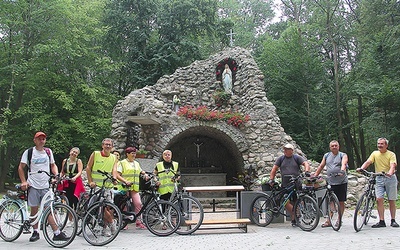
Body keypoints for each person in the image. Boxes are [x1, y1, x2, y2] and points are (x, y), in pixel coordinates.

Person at [17, 131, 69, 242]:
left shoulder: (48, 152)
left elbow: (53, 165)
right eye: (39, 139)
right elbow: (21, 167)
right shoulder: (29, 152)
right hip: (33, 185)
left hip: (46, 185)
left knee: (48, 208)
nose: (41, 141)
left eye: (43, 139)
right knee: (34, 209)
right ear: (35, 140)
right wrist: (23, 181)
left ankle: (56, 233)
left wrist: (56, 175)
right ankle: (35, 232)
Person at [357, 137, 399, 228]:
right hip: (379, 178)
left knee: (391, 200)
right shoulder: (375, 153)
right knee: (379, 199)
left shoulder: (391, 154)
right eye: (378, 144)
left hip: (390, 178)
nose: (379, 145)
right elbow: (368, 162)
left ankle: (393, 220)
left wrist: (390, 173)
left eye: (381, 144)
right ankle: (381, 221)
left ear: (386, 145)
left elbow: (393, 165)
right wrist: (362, 168)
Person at [269, 143, 310, 226]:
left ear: (291, 150)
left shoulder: (296, 158)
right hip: (285, 184)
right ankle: (295, 213)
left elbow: (305, 163)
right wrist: (271, 179)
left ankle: (294, 220)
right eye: (284, 149)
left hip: (296, 183)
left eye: (287, 149)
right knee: (284, 201)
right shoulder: (281, 159)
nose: (285, 151)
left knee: (296, 200)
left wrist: (307, 171)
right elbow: (274, 169)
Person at [86, 138, 119, 236]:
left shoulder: (114, 157)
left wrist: (114, 178)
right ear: (102, 145)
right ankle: (111, 225)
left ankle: (106, 227)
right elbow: (88, 167)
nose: (108, 146)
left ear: (112, 147)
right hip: (97, 185)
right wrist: (90, 181)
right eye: (106, 144)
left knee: (109, 208)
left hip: (108, 185)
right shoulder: (95, 154)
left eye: (109, 145)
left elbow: (114, 169)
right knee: (102, 207)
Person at [313, 140, 348, 227]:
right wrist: (315, 175)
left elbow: (344, 163)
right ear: (330, 147)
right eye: (332, 146)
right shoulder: (327, 155)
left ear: (338, 146)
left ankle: (339, 220)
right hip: (331, 181)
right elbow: (321, 166)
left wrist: (342, 171)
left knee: (341, 202)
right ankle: (329, 220)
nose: (334, 147)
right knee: (330, 201)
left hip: (341, 181)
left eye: (336, 145)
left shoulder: (342, 155)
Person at [115, 147, 148, 229]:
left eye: (135, 153)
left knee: (138, 203)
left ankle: (139, 222)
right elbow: (117, 175)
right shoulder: (122, 163)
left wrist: (145, 174)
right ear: (127, 154)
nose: (134, 155)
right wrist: (125, 181)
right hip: (124, 186)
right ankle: (124, 222)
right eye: (132, 153)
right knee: (124, 204)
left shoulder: (136, 163)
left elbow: (141, 171)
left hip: (134, 187)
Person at [59, 147, 85, 226]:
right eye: (73, 152)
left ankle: (76, 218)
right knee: (68, 201)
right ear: (70, 152)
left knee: (75, 200)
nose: (74, 154)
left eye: (76, 153)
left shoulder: (78, 161)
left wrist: (75, 177)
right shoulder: (65, 161)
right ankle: (70, 219)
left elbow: (80, 171)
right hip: (67, 182)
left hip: (76, 182)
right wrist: (59, 178)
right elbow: (62, 171)